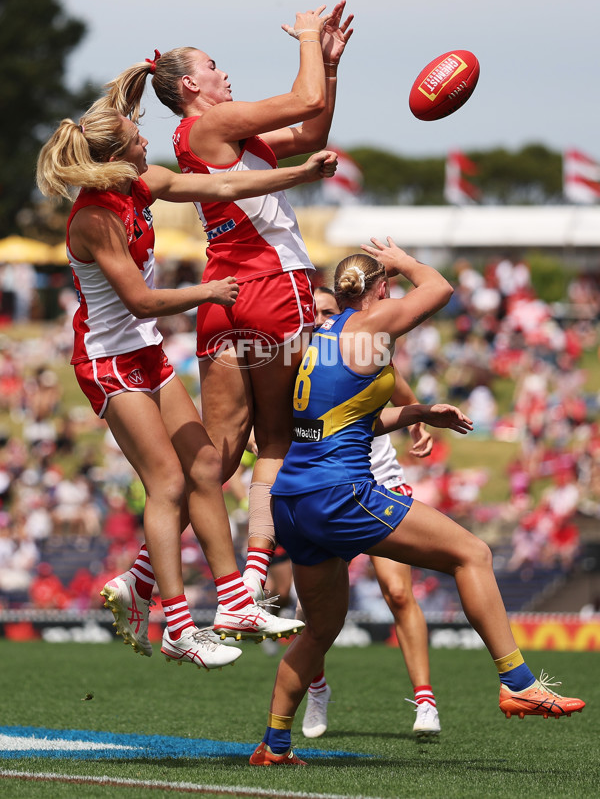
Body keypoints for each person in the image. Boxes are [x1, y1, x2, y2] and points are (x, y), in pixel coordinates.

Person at [249, 239, 585, 766]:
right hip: (339, 493)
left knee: (320, 629)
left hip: (292, 497)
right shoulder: (371, 324)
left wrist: (416, 414)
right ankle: (518, 681)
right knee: (472, 554)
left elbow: (343, 421)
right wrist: (404, 262)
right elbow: (440, 289)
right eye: (387, 286)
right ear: (380, 290)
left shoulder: (323, 338)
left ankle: (274, 744)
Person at [35, 106, 337, 670]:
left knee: (205, 465)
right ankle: (177, 626)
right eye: (135, 138)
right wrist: (209, 293)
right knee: (168, 482)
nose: (145, 142)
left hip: (146, 352)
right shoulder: (95, 218)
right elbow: (141, 301)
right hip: (108, 361)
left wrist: (301, 173)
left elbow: (222, 185)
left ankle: (235, 603)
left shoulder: (141, 185)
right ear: (114, 156)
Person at [91, 2, 353, 601]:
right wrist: (308, 38)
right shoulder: (216, 123)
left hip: (223, 295)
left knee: (220, 454)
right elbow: (305, 100)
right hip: (272, 283)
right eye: (213, 66)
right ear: (190, 85)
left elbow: (311, 131)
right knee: (279, 438)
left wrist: (330, 67)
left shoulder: (217, 135)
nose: (224, 73)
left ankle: (141, 575)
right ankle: (255, 579)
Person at [300, 287, 441, 740]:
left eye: (327, 311)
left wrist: (417, 422)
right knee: (312, 608)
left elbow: (395, 382)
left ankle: (425, 700)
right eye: (312, 313)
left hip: (377, 479)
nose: (319, 319)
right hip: (322, 487)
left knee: (398, 592)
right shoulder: (294, 362)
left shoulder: (363, 345)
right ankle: (317, 689)